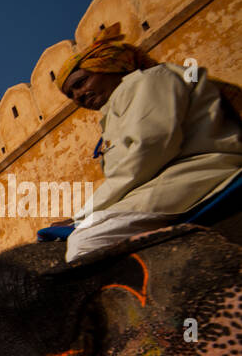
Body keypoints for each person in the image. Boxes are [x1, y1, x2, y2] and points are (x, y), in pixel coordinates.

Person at [54, 24, 242, 261]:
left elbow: (148, 149)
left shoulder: (147, 82)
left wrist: (83, 215)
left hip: (199, 171)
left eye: (81, 83)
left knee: (87, 242)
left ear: (110, 66)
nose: (78, 96)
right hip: (166, 180)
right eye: (71, 95)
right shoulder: (115, 109)